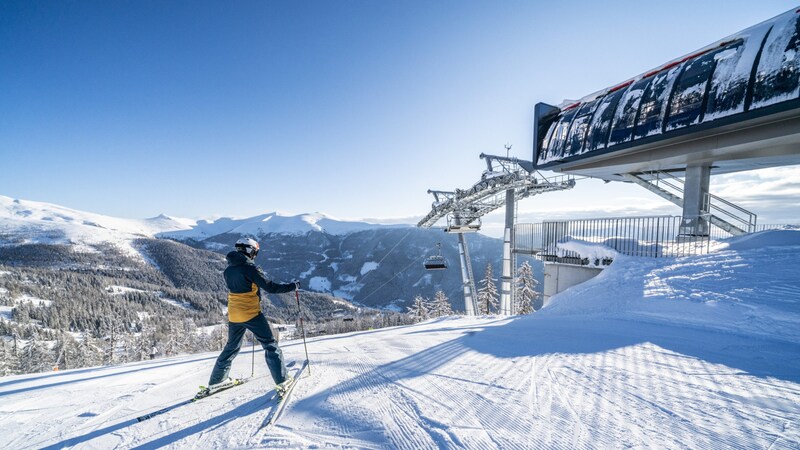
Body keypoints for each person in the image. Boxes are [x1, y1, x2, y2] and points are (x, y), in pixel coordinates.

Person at [208, 237, 299, 395]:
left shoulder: (228, 270)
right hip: (251, 314)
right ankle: (282, 381)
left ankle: (217, 381)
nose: (255, 255)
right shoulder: (250, 268)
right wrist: (293, 286)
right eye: (255, 252)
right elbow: (270, 287)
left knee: (231, 348)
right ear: (249, 250)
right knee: (270, 346)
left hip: (234, 315)